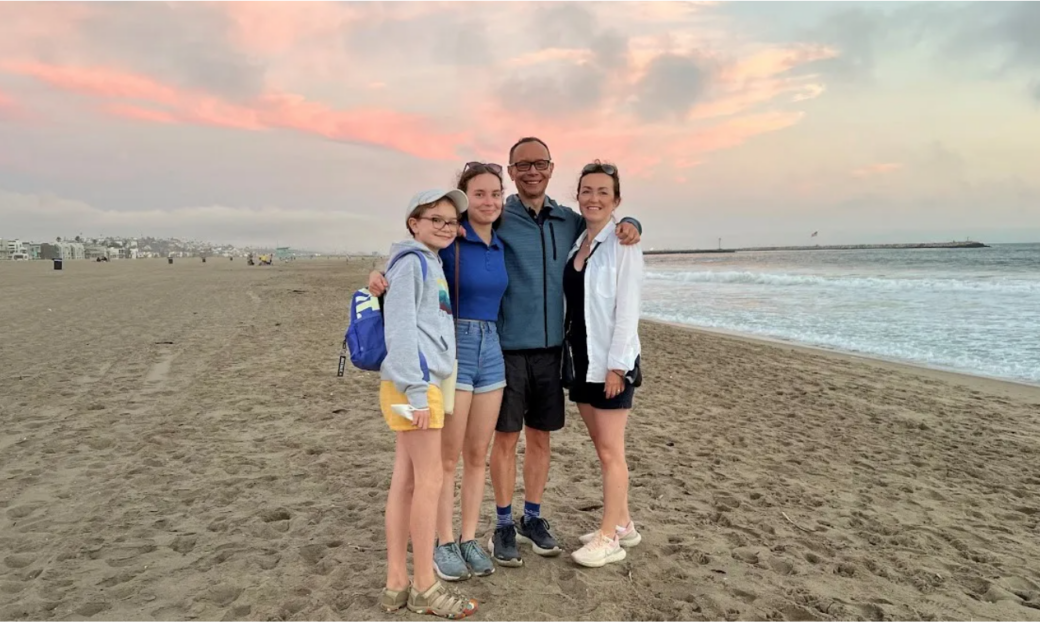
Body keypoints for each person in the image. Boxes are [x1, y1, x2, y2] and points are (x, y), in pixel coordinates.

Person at [369, 138, 644, 568]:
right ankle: (491, 528)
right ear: (513, 173)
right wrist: (383, 271)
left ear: (551, 169)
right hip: (496, 348)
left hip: (551, 351)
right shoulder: (482, 224)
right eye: (521, 166)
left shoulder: (567, 220)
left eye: (540, 164)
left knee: (536, 439)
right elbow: (422, 243)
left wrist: (632, 222)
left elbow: (602, 223)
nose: (531, 172)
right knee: (489, 444)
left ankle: (529, 517)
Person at [379, 188, 478, 619]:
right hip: (414, 388)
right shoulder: (413, 263)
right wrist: (419, 391)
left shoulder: (426, 262)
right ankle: (425, 585)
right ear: (413, 223)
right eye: (434, 218)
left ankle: (397, 582)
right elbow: (399, 332)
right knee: (430, 480)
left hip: (412, 386)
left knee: (406, 480)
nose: (444, 226)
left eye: (451, 220)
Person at [430, 163, 509, 581]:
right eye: (479, 194)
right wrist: (377, 274)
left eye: (495, 193)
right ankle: (442, 542)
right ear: (464, 198)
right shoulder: (450, 241)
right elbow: (410, 252)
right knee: (447, 457)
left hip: (492, 348)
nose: (489, 201)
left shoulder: (501, 242)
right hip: (455, 347)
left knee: (477, 455)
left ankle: (468, 538)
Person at [563, 162, 643, 568]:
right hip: (581, 360)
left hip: (611, 364)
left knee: (612, 452)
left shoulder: (623, 243)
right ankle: (625, 523)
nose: (594, 198)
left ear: (616, 200)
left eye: (602, 192)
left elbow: (628, 309)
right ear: (577, 196)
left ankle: (609, 536)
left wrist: (618, 366)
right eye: (587, 191)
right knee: (602, 448)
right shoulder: (579, 240)